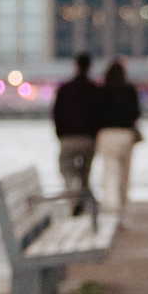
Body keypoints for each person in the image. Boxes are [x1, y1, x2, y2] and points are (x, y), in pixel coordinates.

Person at [51, 52, 101, 215]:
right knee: (85, 173)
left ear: (76, 66)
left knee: (66, 169)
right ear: (90, 67)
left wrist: (60, 134)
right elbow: (100, 115)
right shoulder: (95, 90)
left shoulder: (64, 89)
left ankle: (74, 199)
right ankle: (84, 197)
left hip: (68, 138)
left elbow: (56, 114)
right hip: (88, 138)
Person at [92, 59, 142, 225]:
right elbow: (136, 113)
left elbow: (96, 114)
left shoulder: (101, 91)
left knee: (109, 170)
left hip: (106, 134)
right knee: (125, 172)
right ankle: (122, 205)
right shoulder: (129, 90)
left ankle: (109, 204)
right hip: (125, 134)